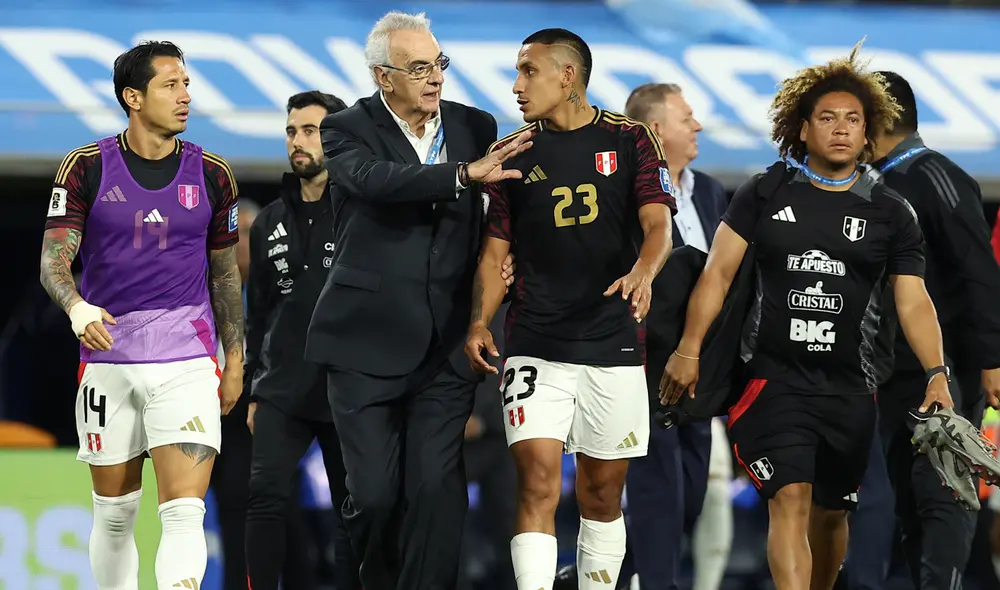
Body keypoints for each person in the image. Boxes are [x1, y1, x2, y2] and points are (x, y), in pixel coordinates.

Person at [660, 43, 954, 590]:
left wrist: (937, 373)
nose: (841, 129)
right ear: (801, 128)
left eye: (853, 120)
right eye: (827, 118)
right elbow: (717, 276)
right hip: (772, 382)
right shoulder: (764, 192)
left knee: (832, 514)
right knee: (788, 498)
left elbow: (913, 299)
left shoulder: (891, 212)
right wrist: (689, 348)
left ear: (869, 134)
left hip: (850, 389)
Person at [304, 11, 523, 590]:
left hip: (446, 343)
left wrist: (505, 253)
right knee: (373, 498)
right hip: (364, 341)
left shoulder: (476, 124)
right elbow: (374, 180)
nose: (435, 78)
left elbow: (498, 211)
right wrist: (461, 175)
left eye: (439, 64)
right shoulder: (345, 129)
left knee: (437, 493)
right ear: (384, 76)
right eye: (420, 68)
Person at [465, 28, 675, 590]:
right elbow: (493, 254)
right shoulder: (513, 153)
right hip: (535, 341)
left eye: (528, 71)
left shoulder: (632, 140)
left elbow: (659, 226)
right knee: (536, 483)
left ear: (568, 75)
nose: (516, 86)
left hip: (613, 340)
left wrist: (643, 271)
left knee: (601, 493)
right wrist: (481, 320)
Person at [39, 40, 243, 590]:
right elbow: (53, 260)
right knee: (114, 514)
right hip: (108, 357)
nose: (185, 96)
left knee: (183, 512)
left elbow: (224, 275)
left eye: (187, 83)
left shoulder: (213, 174)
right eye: (170, 84)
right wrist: (77, 307)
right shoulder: (84, 167)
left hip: (188, 359)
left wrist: (236, 358)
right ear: (133, 97)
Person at [843, 70, 1000, 590]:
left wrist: (992, 359)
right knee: (910, 507)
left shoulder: (937, 176)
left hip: (945, 368)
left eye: (860, 112)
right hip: (891, 373)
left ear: (881, 117)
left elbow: (979, 272)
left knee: (943, 498)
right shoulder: (872, 181)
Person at [244, 90, 360, 590]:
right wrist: (253, 385)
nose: (298, 141)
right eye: (292, 130)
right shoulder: (269, 219)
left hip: (348, 387)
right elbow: (260, 311)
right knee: (264, 496)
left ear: (335, 137)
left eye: (310, 130)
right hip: (283, 388)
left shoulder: (363, 213)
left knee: (351, 508)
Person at [621, 82, 732, 590]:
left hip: (698, 368)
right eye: (688, 117)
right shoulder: (622, 191)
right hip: (641, 367)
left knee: (688, 495)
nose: (699, 125)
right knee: (657, 492)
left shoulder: (710, 191)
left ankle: (601, 574)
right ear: (657, 130)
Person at [209, 196, 259, 590]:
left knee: (243, 507)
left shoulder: (278, 292)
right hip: (201, 408)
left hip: (250, 416)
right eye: (232, 234)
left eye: (246, 234)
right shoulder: (202, 290)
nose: (237, 243)